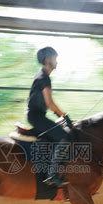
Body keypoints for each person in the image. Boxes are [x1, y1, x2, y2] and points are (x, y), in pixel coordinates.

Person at [26, 46, 73, 188]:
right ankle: (52, 175)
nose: (57, 61)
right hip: (36, 116)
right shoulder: (44, 78)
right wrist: (64, 116)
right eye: (55, 58)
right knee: (65, 137)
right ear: (47, 60)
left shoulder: (42, 75)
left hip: (37, 115)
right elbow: (50, 103)